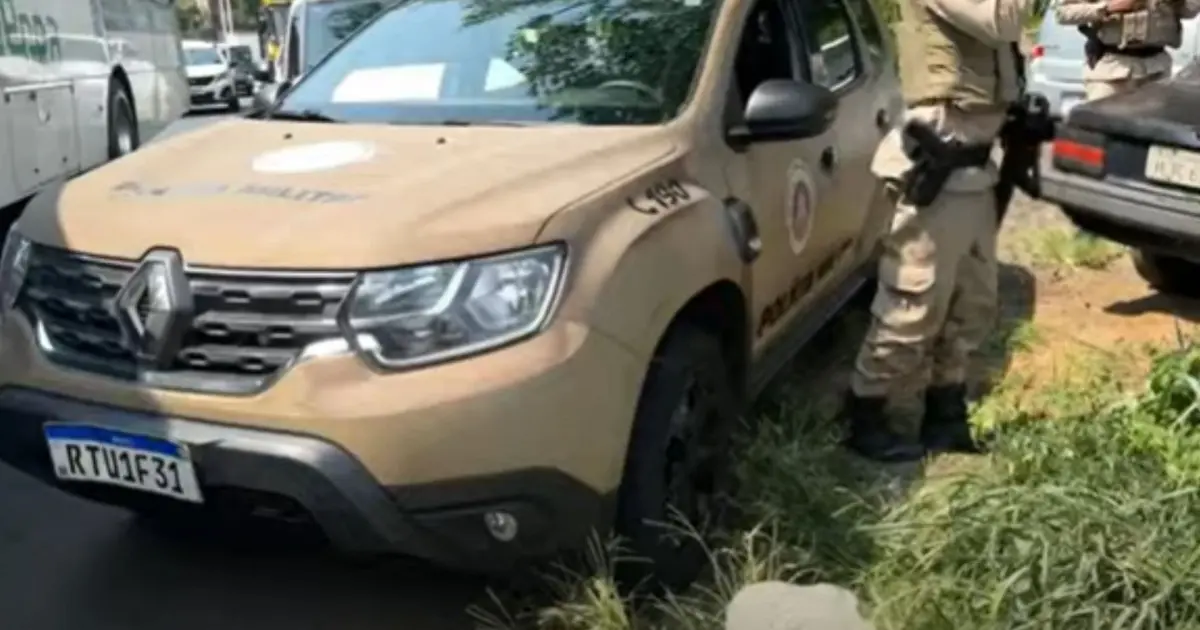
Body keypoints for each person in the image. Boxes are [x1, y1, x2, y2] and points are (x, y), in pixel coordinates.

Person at [841, 0, 1038, 462]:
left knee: (973, 302)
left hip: (972, 167)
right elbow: (1004, 19)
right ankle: (866, 414)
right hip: (940, 164)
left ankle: (945, 415)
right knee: (914, 302)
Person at [1057, 0, 1200, 101]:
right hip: (1112, 70)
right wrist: (1107, 7)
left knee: (1149, 133)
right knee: (1101, 130)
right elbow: (1063, 14)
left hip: (1156, 70)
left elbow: (1190, 11)